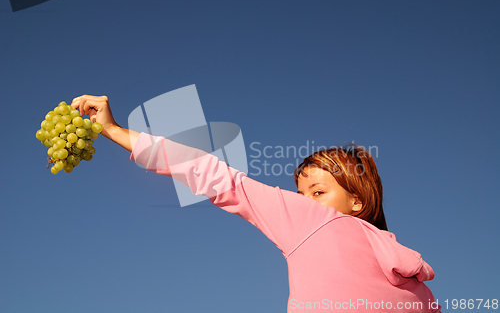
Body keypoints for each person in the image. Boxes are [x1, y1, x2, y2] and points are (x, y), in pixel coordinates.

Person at [71, 95, 442, 313]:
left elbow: (214, 176)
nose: (304, 203)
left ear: (357, 202)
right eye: (301, 194)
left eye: (318, 191)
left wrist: (116, 131)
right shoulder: (409, 270)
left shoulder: (310, 222)